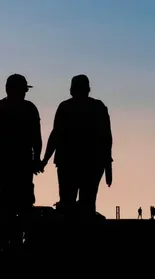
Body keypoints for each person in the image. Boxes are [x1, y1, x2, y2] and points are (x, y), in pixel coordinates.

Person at [41, 74, 113, 215]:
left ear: (72, 89)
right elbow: (107, 139)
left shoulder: (65, 107)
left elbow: (55, 135)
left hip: (68, 163)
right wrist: (108, 167)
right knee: (88, 203)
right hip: (92, 163)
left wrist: (45, 160)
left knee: (68, 204)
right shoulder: (98, 107)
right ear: (88, 89)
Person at [0, 73, 42, 217]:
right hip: (19, 164)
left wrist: (36, 158)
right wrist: (36, 159)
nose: (25, 93)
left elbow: (37, 139)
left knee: (11, 205)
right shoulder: (29, 109)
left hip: (17, 164)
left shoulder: (2, 107)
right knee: (19, 205)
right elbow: (37, 138)